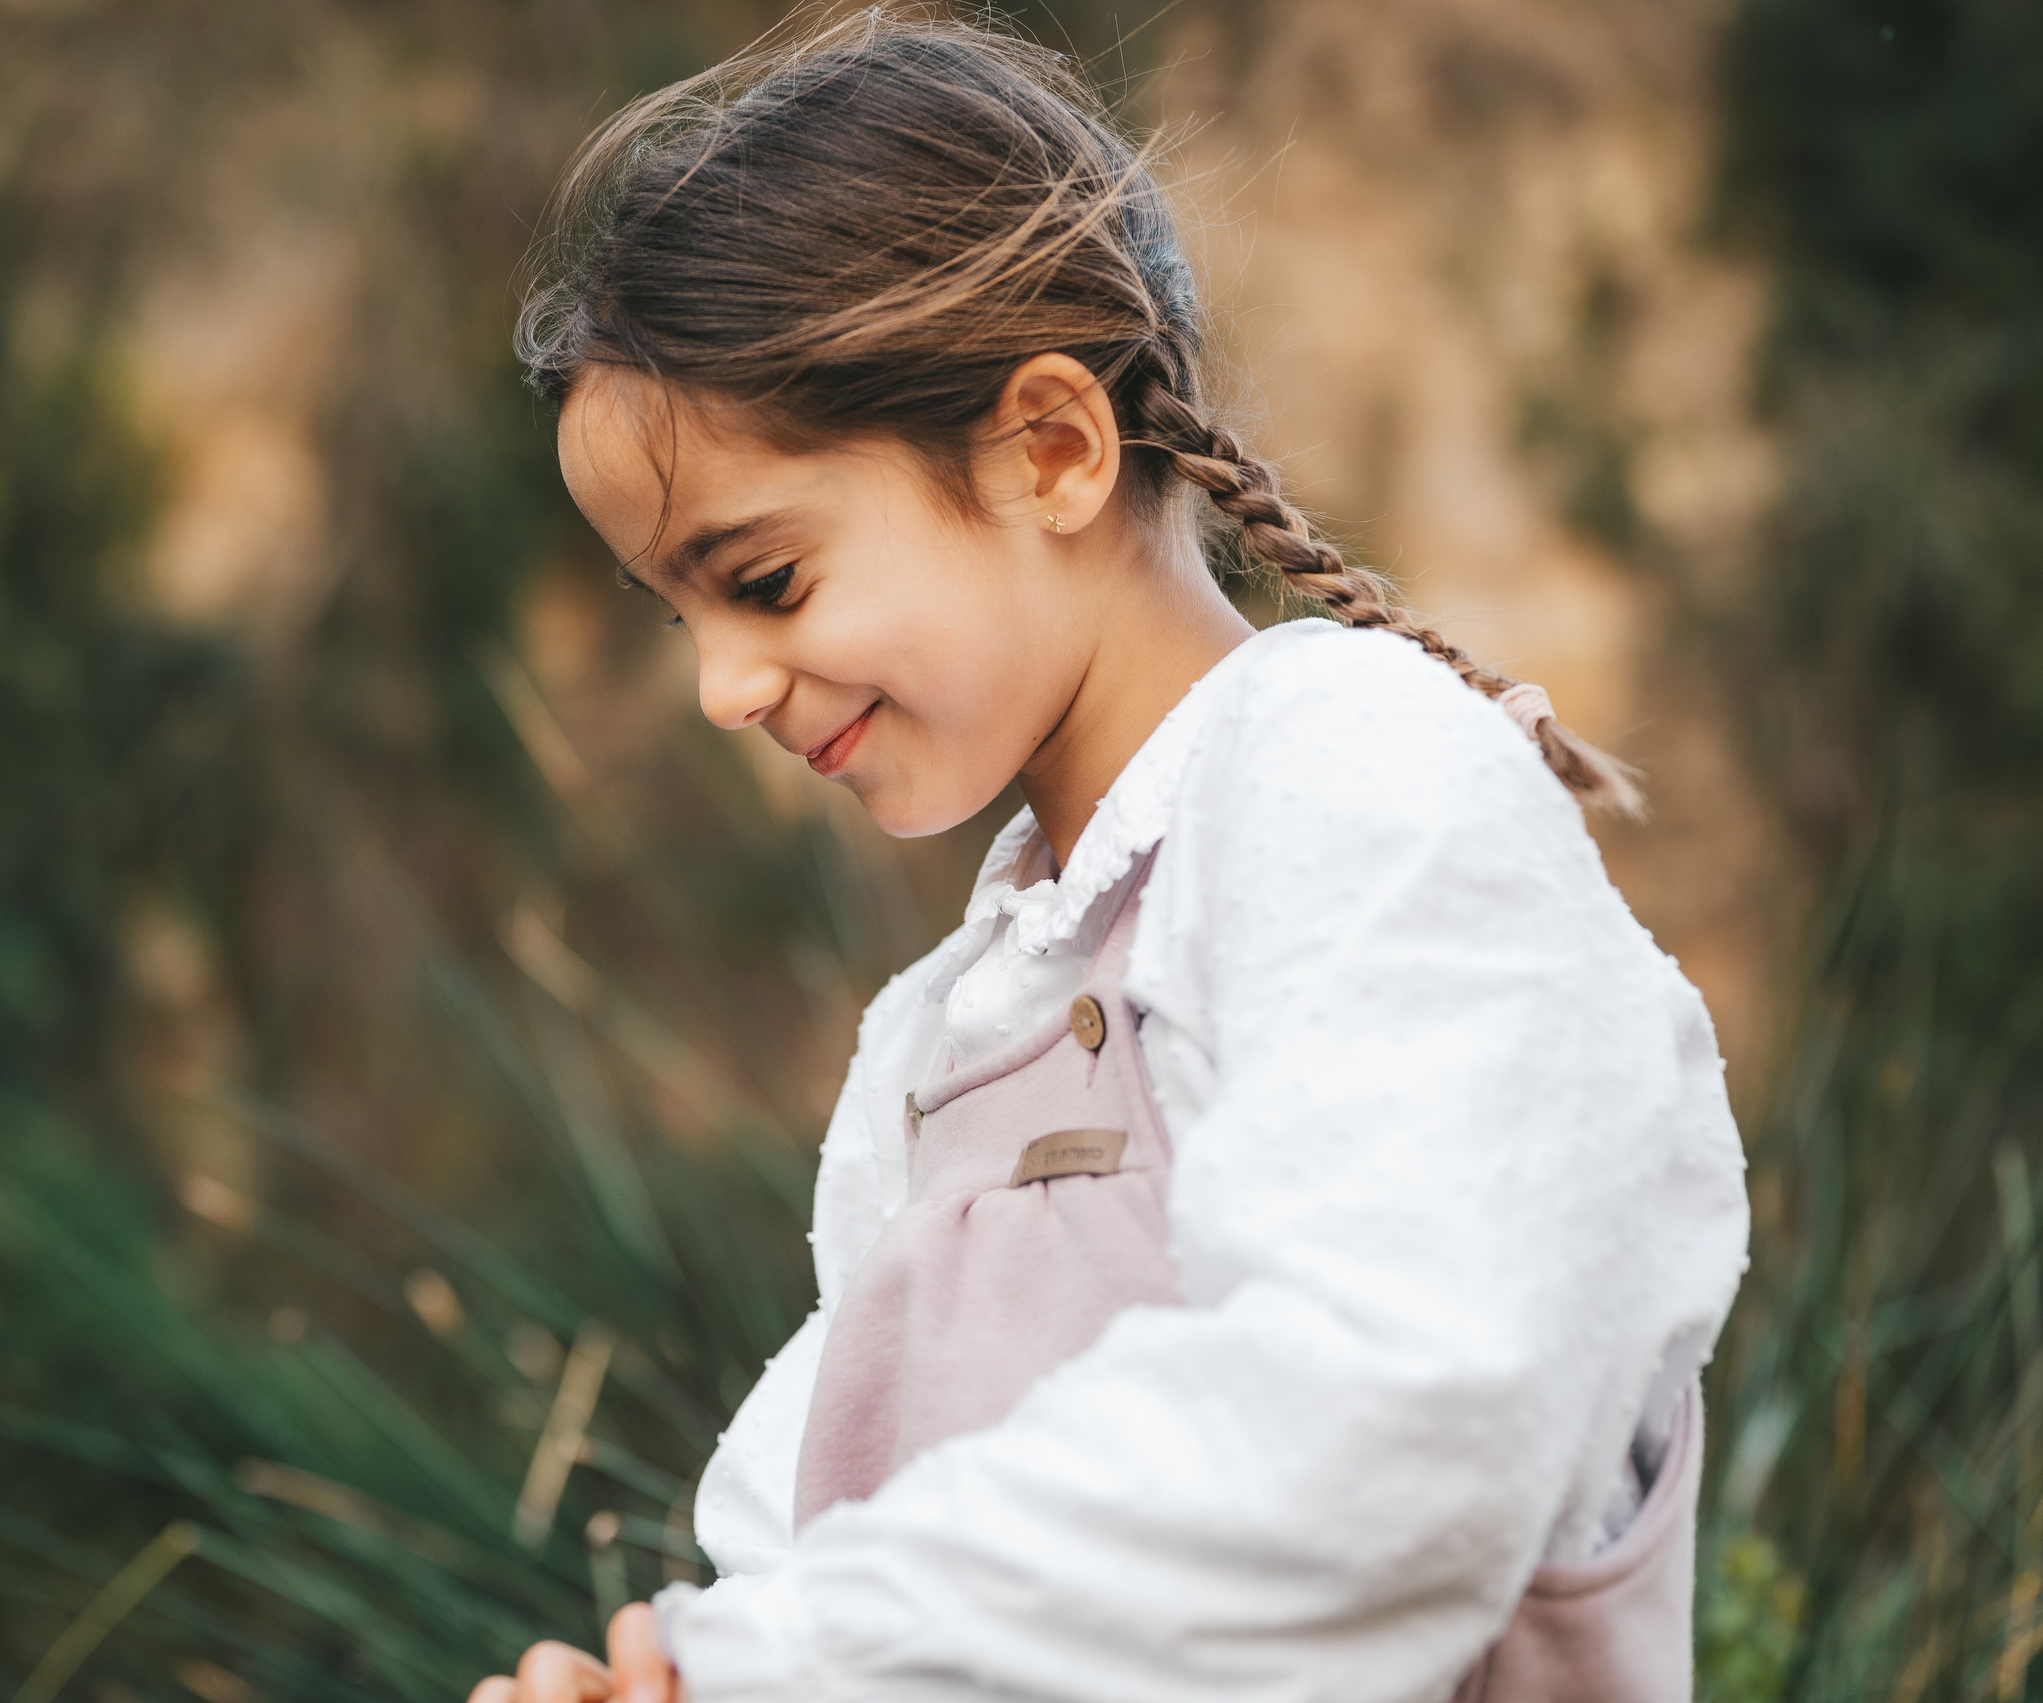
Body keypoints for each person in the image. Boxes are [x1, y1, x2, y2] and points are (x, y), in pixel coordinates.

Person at [475, 12, 1750, 1702]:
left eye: (765, 580)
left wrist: (786, 1665)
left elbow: (1402, 1425)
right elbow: (826, 1563)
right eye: (680, 612)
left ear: (1051, 450)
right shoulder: (934, 1046)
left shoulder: (1359, 779)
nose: (722, 689)